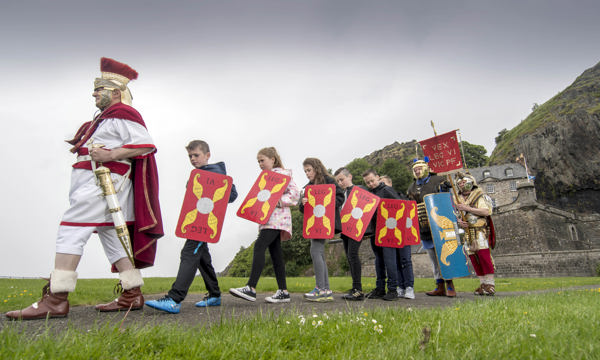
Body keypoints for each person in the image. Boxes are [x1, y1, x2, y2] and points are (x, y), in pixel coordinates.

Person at [6, 57, 163, 320]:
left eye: (99, 89)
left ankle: (56, 299)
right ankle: (132, 293)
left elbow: (146, 145)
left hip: (103, 186)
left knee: (70, 230)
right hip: (95, 185)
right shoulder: (106, 118)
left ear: (115, 92)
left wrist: (111, 154)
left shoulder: (125, 113)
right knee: (111, 236)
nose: (94, 93)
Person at [145, 140, 238, 313]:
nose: (193, 159)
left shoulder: (214, 172)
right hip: (196, 220)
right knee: (202, 257)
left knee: (189, 253)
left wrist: (216, 187)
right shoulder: (198, 173)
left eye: (196, 155)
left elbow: (232, 195)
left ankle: (174, 299)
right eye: (190, 156)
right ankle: (214, 295)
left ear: (207, 155)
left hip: (205, 222)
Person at [230, 147, 300, 303]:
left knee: (260, 245)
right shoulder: (265, 178)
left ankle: (251, 288)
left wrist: (279, 201)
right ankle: (283, 291)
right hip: (267, 220)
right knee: (276, 254)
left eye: (262, 160)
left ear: (272, 159)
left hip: (277, 219)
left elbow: (295, 194)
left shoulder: (283, 174)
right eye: (258, 161)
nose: (260, 164)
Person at [406, 158, 456, 297]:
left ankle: (450, 285)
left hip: (438, 222)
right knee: (433, 258)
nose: (417, 171)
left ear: (425, 168)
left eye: (419, 168)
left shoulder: (438, 180)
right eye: (415, 169)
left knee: (444, 254)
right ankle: (439, 285)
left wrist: (445, 188)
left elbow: (445, 199)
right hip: (423, 225)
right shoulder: (411, 187)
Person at [299, 158, 344, 302]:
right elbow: (303, 210)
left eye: (309, 170)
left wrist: (328, 204)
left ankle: (320, 289)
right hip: (314, 223)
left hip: (326, 222)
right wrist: (303, 203)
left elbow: (340, 197)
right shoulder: (307, 187)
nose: (307, 173)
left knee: (315, 251)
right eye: (305, 171)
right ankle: (325, 289)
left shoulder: (329, 180)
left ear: (316, 168)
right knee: (320, 254)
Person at [362, 169, 404, 301]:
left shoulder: (387, 190)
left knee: (389, 260)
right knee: (379, 261)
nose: (371, 184)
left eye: (372, 181)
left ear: (378, 178)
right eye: (368, 182)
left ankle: (392, 290)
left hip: (387, 231)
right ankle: (380, 288)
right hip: (375, 232)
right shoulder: (369, 194)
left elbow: (400, 206)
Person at [455, 173, 496, 295]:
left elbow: (486, 211)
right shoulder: (458, 198)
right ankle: (483, 284)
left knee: (484, 256)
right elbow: (457, 215)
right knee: (474, 258)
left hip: (479, 231)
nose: (461, 184)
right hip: (467, 232)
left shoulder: (479, 195)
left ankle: (490, 284)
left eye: (463, 182)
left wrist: (467, 208)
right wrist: (459, 222)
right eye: (459, 183)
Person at [378, 175, 416, 300]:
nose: (382, 187)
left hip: (403, 232)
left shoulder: (401, 196)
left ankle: (409, 287)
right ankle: (400, 286)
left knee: (405, 259)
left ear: (390, 183)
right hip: (390, 232)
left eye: (383, 183)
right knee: (395, 261)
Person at [334, 167, 365, 301]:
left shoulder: (360, 191)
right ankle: (354, 287)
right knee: (349, 257)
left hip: (356, 227)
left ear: (350, 176)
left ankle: (358, 290)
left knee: (353, 255)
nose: (340, 183)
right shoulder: (342, 194)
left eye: (342, 179)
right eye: (338, 181)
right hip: (345, 229)